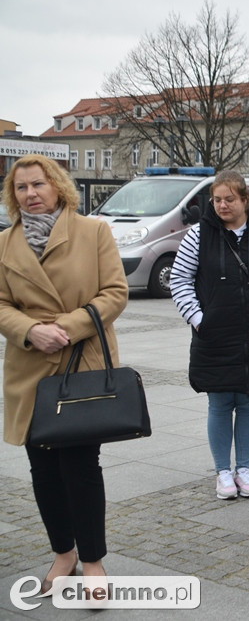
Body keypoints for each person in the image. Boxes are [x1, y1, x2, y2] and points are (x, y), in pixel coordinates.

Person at [0, 154, 129, 591]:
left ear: (57, 186)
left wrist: (66, 328)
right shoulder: (4, 243)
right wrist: (29, 330)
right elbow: (0, 304)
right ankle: (63, 552)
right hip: (30, 368)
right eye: (21, 188)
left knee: (80, 464)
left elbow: (115, 292)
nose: (30, 194)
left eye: (38, 185)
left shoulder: (93, 232)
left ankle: (92, 560)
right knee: (43, 467)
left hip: (82, 360)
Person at [170, 170, 249, 500]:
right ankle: (223, 471)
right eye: (217, 199)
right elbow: (179, 280)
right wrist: (198, 319)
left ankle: (245, 468)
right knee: (221, 401)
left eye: (230, 199)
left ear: (245, 200)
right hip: (215, 334)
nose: (222, 205)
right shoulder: (198, 235)